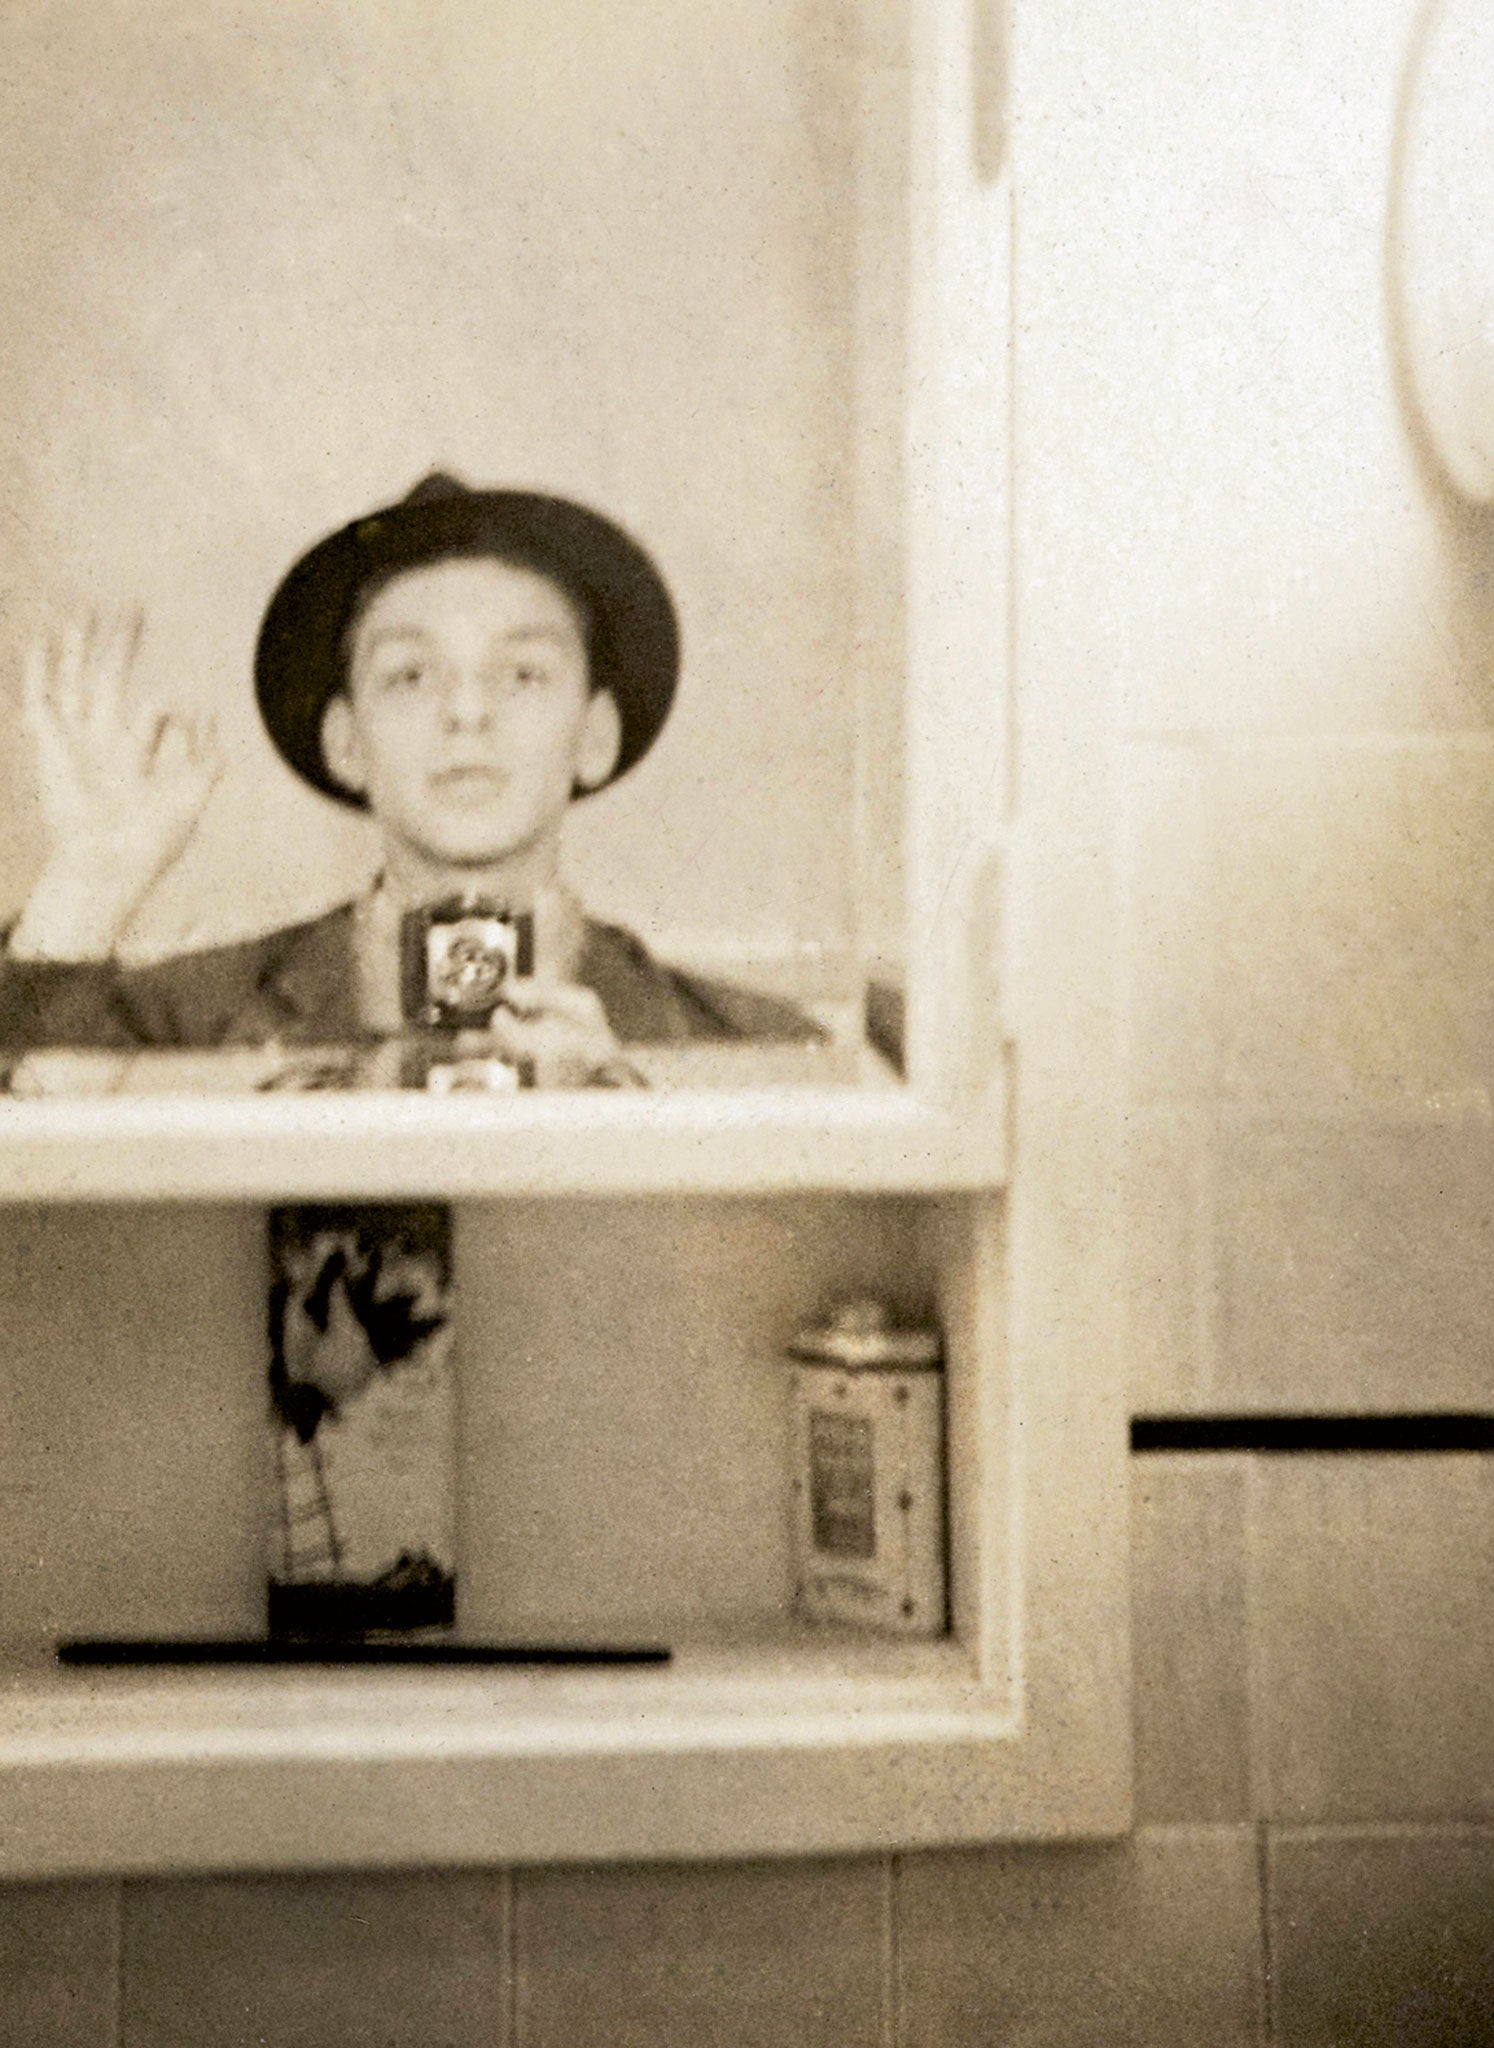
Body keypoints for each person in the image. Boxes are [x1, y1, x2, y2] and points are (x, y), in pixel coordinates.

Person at [0, 473, 817, 1083]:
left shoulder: (763, 1046)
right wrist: (89, 883)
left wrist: (629, 1116)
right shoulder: (175, 1022)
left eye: (523, 675)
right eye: (410, 677)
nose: (467, 712)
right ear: (345, 743)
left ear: (594, 736)